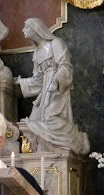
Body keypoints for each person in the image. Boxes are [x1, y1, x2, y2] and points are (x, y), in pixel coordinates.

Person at [15, 18, 89, 155]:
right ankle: (44, 151)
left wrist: (56, 80)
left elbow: (65, 66)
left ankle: (70, 141)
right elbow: (38, 79)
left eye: (26, 27)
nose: (23, 30)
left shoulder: (56, 43)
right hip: (45, 90)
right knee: (34, 121)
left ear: (36, 28)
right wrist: (22, 82)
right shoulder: (37, 52)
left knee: (50, 118)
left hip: (57, 88)